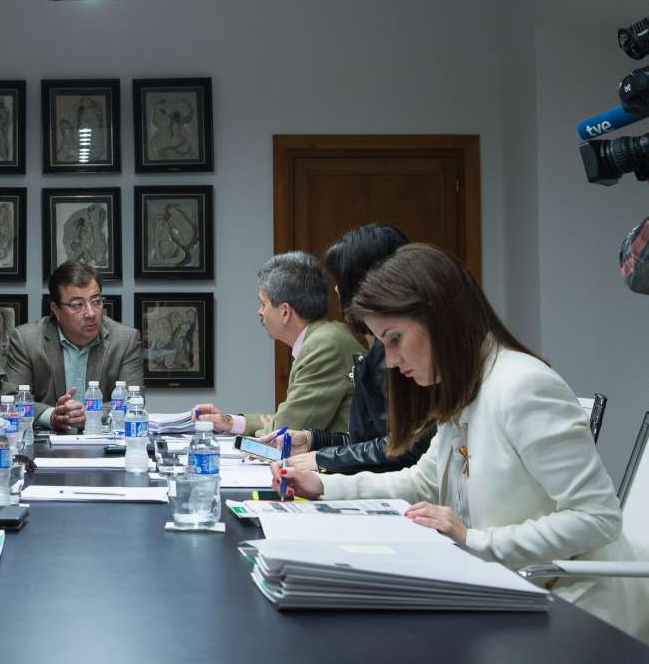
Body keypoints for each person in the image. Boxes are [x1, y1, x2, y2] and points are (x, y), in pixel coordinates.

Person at [274, 243, 649, 642]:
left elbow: (597, 518)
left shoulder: (523, 386)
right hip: (516, 591)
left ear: (439, 317)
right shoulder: (467, 387)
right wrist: (324, 486)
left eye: (395, 338)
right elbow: (423, 481)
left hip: (580, 610)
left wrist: (474, 540)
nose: (392, 361)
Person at [260, 223, 434, 474]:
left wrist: (324, 459)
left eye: (342, 281)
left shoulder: (397, 358)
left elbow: (402, 450)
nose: (336, 291)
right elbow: (368, 441)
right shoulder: (377, 352)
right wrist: (312, 440)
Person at [194, 251, 363, 435]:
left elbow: (283, 433)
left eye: (263, 304)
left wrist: (274, 428)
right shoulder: (324, 337)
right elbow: (288, 420)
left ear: (285, 312)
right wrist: (229, 422)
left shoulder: (324, 346)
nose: (260, 311)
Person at [1, 260, 144, 433]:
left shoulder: (125, 340)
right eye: (77, 305)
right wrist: (52, 416)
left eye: (96, 301)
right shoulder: (27, 340)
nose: (90, 313)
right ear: (56, 309)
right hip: (45, 444)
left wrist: (90, 414)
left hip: (105, 443)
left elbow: (133, 400)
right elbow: (11, 400)